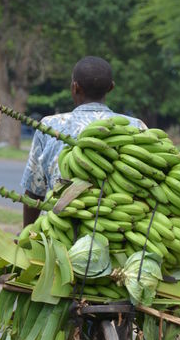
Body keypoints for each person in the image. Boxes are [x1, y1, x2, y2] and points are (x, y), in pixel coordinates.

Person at [21, 56, 145, 226]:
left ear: (75, 87)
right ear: (111, 87)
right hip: (122, 228)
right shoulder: (136, 127)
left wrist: (28, 233)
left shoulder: (50, 126)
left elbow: (35, 191)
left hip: (58, 228)